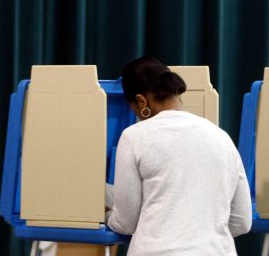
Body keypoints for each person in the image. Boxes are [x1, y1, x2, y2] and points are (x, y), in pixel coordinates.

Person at [106, 56, 252, 256]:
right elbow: (241, 221)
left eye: (134, 109)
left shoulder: (135, 136)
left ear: (141, 100)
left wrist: (107, 216)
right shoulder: (221, 137)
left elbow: (126, 222)